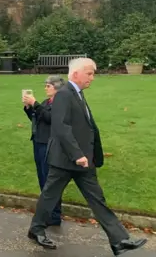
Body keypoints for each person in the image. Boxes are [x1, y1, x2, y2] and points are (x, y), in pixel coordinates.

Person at [27, 58, 147, 255]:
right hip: (66, 159)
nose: (92, 77)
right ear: (75, 74)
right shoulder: (65, 94)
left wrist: (89, 154)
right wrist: (77, 155)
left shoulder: (77, 93)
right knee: (50, 195)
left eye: (93, 73)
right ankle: (36, 229)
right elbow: (61, 128)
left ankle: (120, 240)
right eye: (89, 73)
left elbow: (85, 126)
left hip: (84, 160)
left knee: (97, 200)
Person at [22, 75, 65, 226]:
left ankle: (54, 215)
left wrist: (35, 103)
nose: (46, 88)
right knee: (42, 178)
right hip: (39, 142)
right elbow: (38, 118)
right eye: (45, 85)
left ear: (57, 87)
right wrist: (29, 108)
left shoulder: (61, 102)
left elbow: (50, 118)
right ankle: (48, 213)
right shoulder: (47, 102)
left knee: (50, 180)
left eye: (48, 85)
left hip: (50, 144)